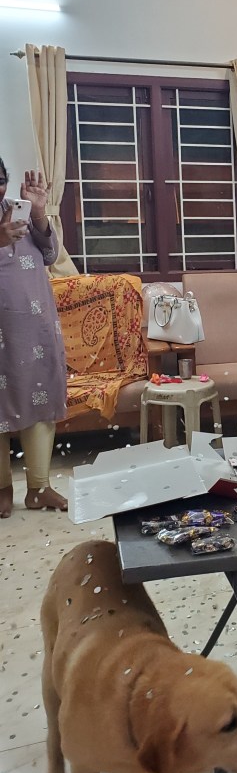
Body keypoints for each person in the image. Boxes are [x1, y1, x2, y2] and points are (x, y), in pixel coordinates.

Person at [0, 162, 68, 517]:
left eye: (0, 181)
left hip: (34, 323)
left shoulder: (19, 211)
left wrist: (39, 213)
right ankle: (1, 489)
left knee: (40, 394)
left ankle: (39, 489)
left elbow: (50, 255)